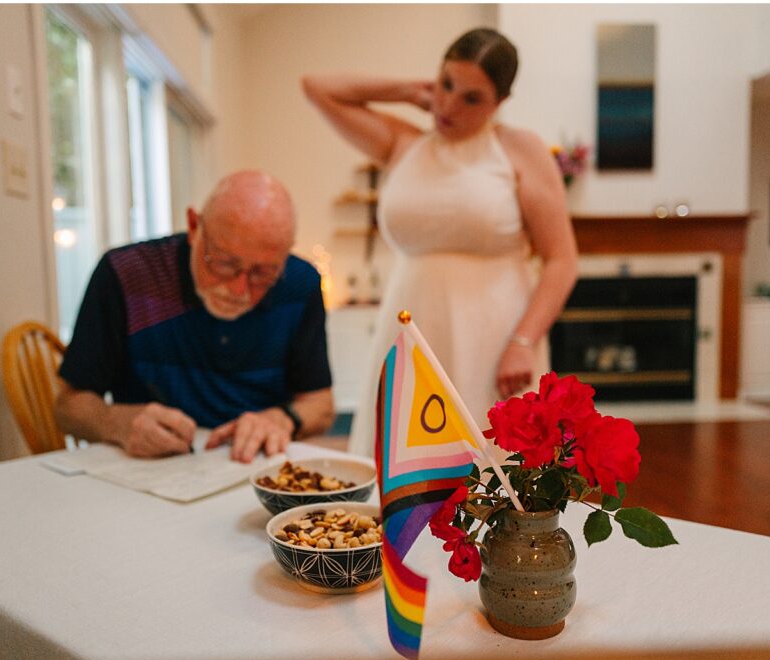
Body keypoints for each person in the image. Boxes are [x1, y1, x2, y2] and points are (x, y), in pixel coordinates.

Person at [302, 27, 578, 458]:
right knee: (404, 467)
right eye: (446, 84)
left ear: (500, 102)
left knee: (492, 469)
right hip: (410, 327)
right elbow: (316, 87)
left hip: (496, 337)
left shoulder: (519, 149)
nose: (449, 106)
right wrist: (409, 92)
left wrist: (523, 342)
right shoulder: (403, 143)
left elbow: (561, 260)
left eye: (472, 98)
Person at [55, 170, 335, 462]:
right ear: (193, 227)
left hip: (255, 467)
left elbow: (321, 404)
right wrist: (116, 422)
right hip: (150, 469)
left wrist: (281, 419)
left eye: (263, 273)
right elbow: (68, 407)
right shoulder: (126, 274)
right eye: (225, 264)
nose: (239, 290)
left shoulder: (300, 283)